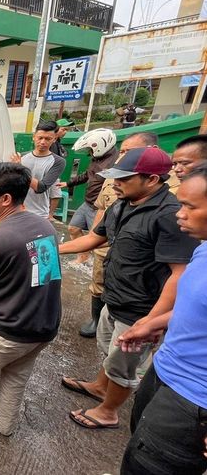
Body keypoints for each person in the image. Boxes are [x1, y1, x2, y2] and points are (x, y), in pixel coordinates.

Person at [59, 146, 199, 430]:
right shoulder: (122, 204)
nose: (116, 183)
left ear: (151, 180)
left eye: (125, 178)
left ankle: (108, 411)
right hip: (116, 296)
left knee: (124, 364)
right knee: (109, 351)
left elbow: (178, 274)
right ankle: (100, 386)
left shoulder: (170, 215)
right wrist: (50, 248)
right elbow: (92, 239)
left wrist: (150, 321)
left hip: (141, 307)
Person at [115, 163, 207, 475]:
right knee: (138, 448)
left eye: (189, 206)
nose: (179, 214)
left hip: (192, 400)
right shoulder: (203, 248)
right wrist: (159, 322)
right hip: (165, 371)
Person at [0, 163, 62, 436]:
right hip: (44, 327)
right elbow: (43, 275)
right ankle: (4, 426)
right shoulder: (45, 225)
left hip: (7, 331)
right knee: (15, 379)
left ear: (6, 199)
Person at [78, 133, 153, 338]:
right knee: (99, 284)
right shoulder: (115, 179)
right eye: (123, 151)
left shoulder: (166, 202)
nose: (123, 156)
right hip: (107, 247)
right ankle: (97, 319)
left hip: (138, 273)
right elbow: (101, 210)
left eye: (130, 152)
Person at [60, 128, 119, 264]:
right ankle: (83, 257)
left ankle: (98, 264)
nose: (89, 153)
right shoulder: (97, 159)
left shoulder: (114, 164)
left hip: (100, 206)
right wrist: (69, 183)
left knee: (97, 239)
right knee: (73, 228)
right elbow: (87, 174)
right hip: (88, 202)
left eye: (90, 149)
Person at [10, 120, 67, 219]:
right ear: (34, 137)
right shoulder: (21, 157)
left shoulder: (58, 161)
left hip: (39, 214)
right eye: (40, 138)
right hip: (16, 211)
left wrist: (20, 169)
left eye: (48, 139)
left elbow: (41, 187)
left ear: (54, 139)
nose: (43, 142)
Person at [48, 118, 72, 219]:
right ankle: (49, 215)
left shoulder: (57, 142)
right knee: (55, 194)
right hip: (50, 173)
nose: (65, 132)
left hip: (54, 173)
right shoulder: (51, 142)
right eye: (63, 129)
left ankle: (50, 214)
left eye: (66, 130)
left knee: (54, 194)